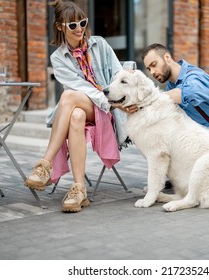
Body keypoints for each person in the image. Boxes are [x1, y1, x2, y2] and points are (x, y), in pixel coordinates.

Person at [24, 0, 132, 213]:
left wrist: (114, 102)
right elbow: (81, 88)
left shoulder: (99, 44)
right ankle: (78, 188)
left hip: (108, 107)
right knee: (76, 116)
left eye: (82, 22)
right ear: (60, 27)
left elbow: (119, 74)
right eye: (72, 25)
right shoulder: (58, 58)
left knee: (67, 98)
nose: (79, 28)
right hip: (85, 107)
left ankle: (45, 165)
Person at [140, 43, 209, 155]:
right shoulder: (171, 86)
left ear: (167, 57)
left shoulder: (194, 76)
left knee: (190, 158)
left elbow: (188, 93)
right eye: (149, 69)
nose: (152, 72)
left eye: (154, 65)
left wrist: (150, 99)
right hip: (202, 133)